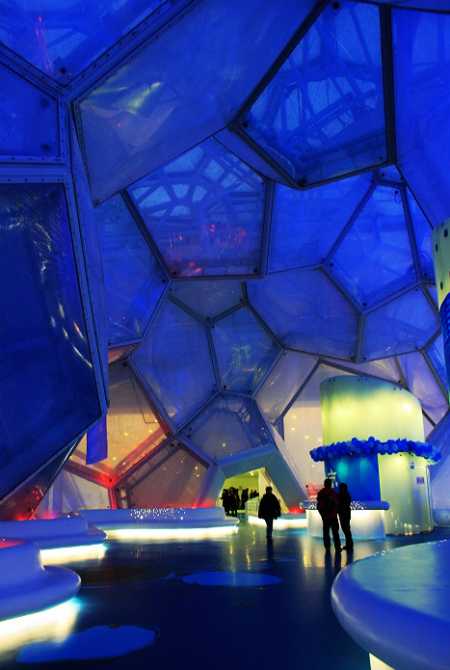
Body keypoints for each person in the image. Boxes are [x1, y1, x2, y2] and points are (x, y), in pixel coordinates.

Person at [317, 478, 341, 553]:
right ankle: (337, 547)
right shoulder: (333, 493)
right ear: (330, 484)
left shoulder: (321, 493)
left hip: (326, 517)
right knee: (335, 533)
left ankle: (327, 547)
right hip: (332, 516)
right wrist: (334, 513)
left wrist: (323, 515)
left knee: (326, 533)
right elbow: (337, 504)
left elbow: (319, 505)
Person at [338, 483, 353, 551]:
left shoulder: (342, 495)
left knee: (346, 529)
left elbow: (342, 505)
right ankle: (349, 544)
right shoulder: (347, 495)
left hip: (343, 514)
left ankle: (349, 544)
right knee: (347, 530)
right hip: (346, 514)